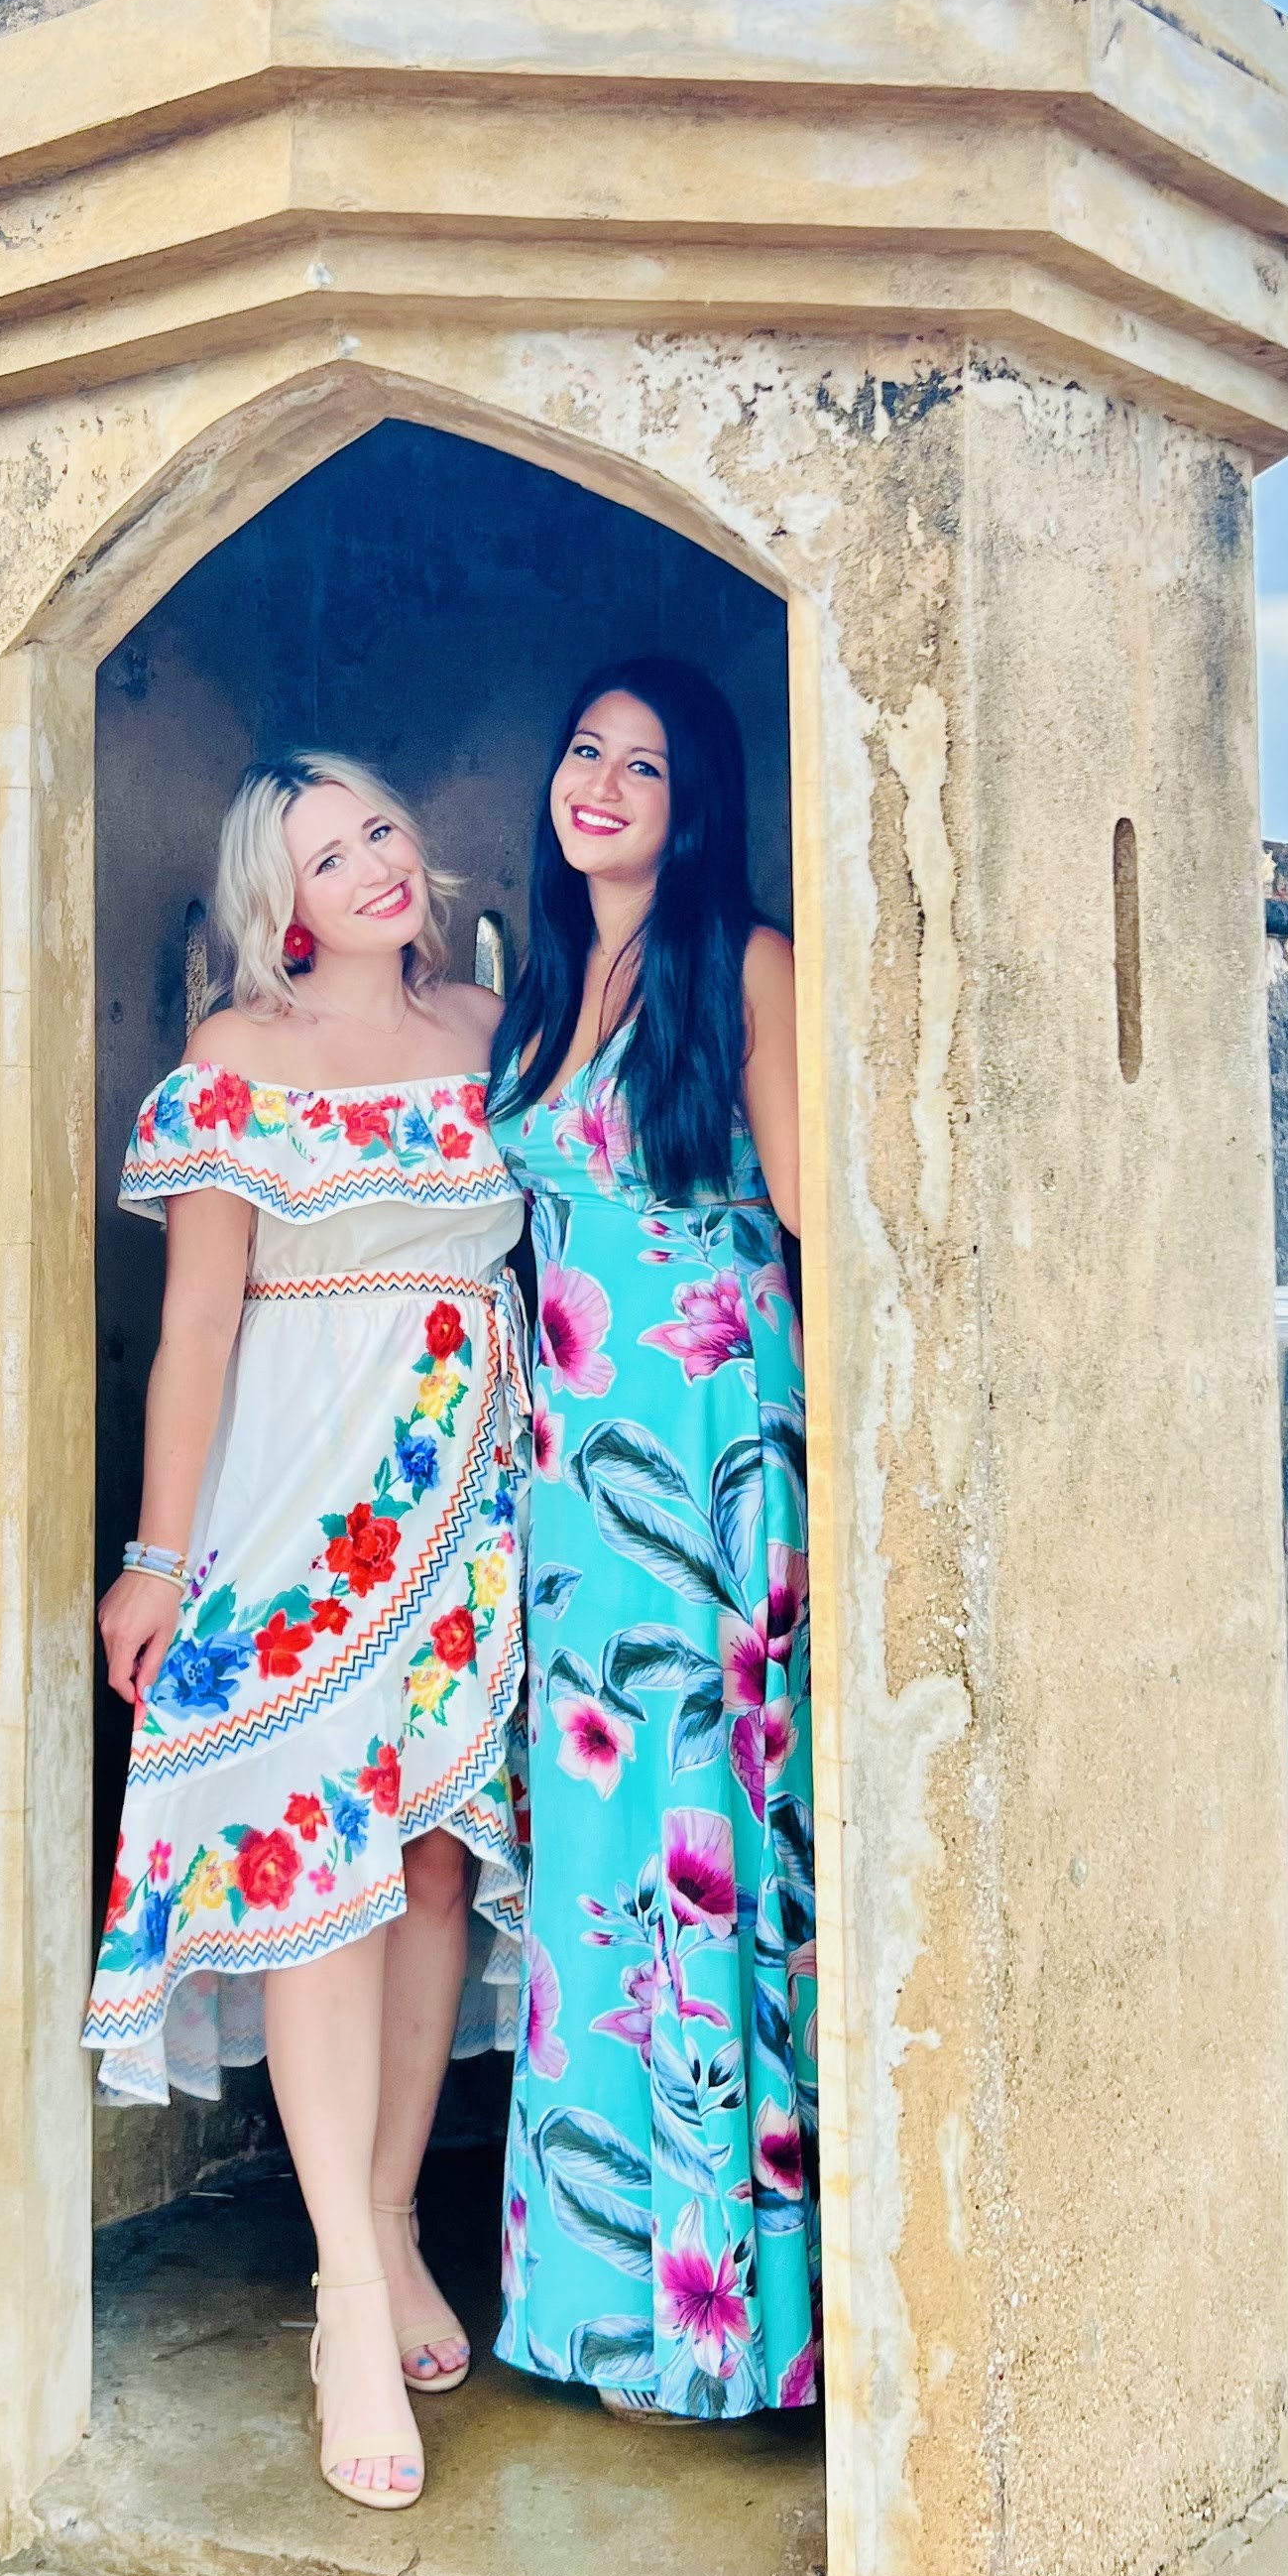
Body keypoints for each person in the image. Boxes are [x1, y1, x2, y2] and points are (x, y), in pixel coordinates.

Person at [86, 750, 527, 2512]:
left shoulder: (502, 1031)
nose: (371, 865)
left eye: (382, 829)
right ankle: (347, 2292)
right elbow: (195, 1334)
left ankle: (396, 2218)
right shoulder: (234, 1068)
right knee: (310, 1880)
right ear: (275, 902)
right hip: (293, 1525)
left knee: (427, 1871)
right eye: (324, 852)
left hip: (471, 1512)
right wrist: (153, 1560)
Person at [487, 656, 820, 2419]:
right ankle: (605, 2309)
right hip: (573, 1505)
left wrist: (834, 1494)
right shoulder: (541, 983)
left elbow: (821, 1236)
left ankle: (725, 2325)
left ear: (698, 807)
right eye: (584, 747)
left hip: (710, 1475)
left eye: (646, 763)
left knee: (708, 1860)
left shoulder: (741, 969)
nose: (602, 781)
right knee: (598, 1896)